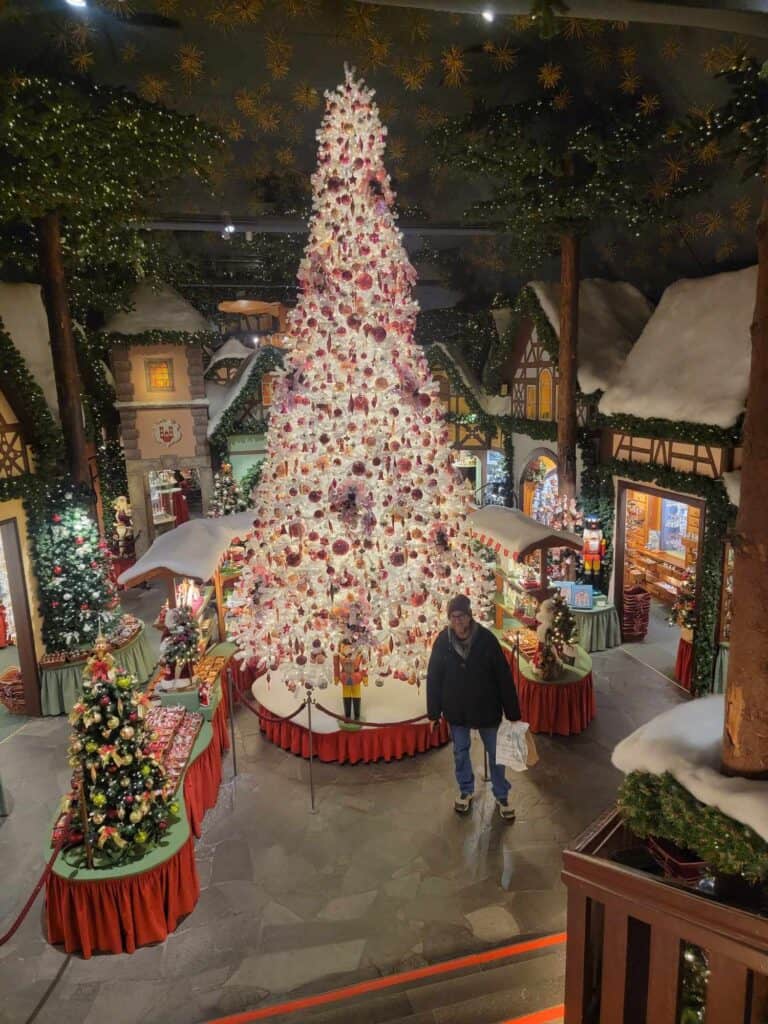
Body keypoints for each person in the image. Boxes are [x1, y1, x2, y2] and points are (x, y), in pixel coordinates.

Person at [427, 594, 520, 820]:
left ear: (469, 617)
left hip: (487, 708)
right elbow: (434, 678)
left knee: (496, 753)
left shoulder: (487, 640)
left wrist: (513, 713)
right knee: (460, 752)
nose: (457, 621)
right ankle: (465, 790)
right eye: (453, 617)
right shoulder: (443, 642)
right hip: (457, 709)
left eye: (461, 616)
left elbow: (503, 677)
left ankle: (501, 794)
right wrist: (433, 713)